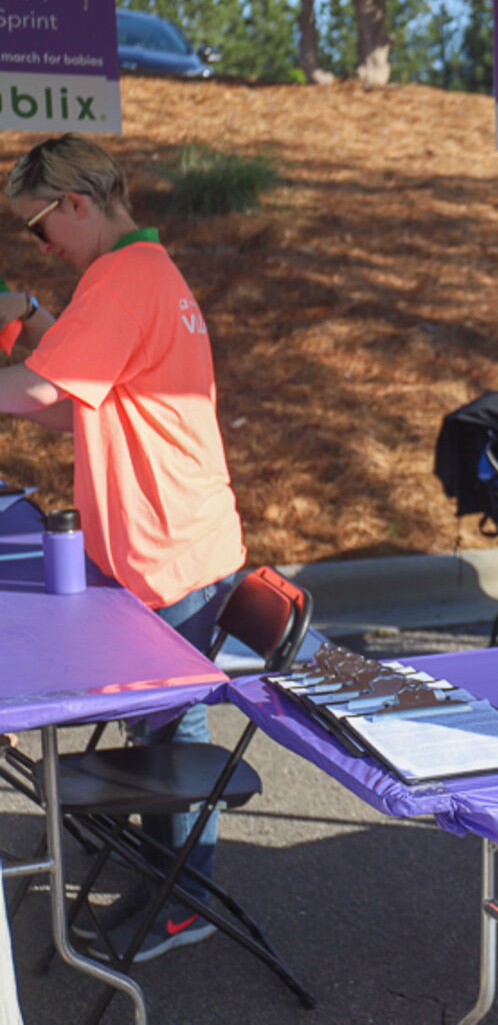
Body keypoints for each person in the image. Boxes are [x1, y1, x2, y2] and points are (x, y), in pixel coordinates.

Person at [0, 134, 245, 964]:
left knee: (171, 728)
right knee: (164, 725)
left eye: (37, 230)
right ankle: (173, 882)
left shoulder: (122, 278)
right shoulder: (143, 270)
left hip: (167, 545)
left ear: (74, 204)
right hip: (175, 536)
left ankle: (184, 898)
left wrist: (28, 337)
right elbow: (74, 404)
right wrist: (32, 316)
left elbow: (38, 390)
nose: (40, 248)